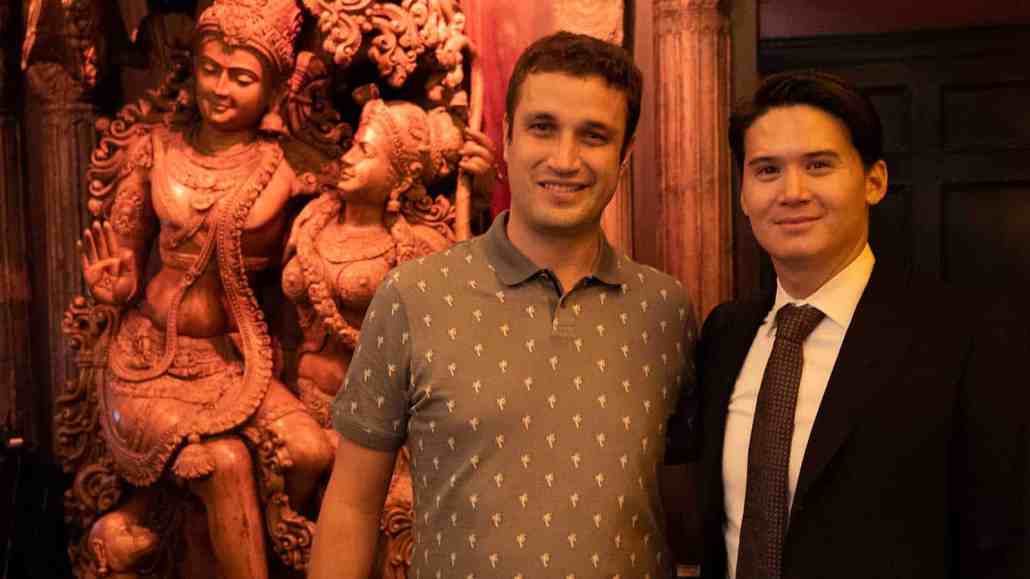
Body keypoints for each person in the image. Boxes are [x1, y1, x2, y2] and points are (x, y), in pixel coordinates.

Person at [310, 30, 699, 579]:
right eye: (543, 128)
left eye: (593, 136)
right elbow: (351, 506)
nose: (565, 159)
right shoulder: (414, 297)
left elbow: (688, 518)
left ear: (625, 155)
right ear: (507, 137)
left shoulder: (665, 311)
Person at [693, 70, 1026, 579]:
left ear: (875, 181)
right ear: (743, 194)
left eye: (819, 165)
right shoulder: (725, 334)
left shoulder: (965, 337)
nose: (792, 192)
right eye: (767, 170)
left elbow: (1002, 541)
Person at [76, 0, 334, 575]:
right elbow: (123, 247)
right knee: (224, 464)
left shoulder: (289, 167)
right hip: (147, 363)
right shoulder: (155, 151)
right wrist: (115, 285)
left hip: (233, 364)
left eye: (241, 77)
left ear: (272, 89)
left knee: (310, 450)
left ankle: (242, 538)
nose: (220, 88)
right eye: (210, 69)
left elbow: (338, 228)